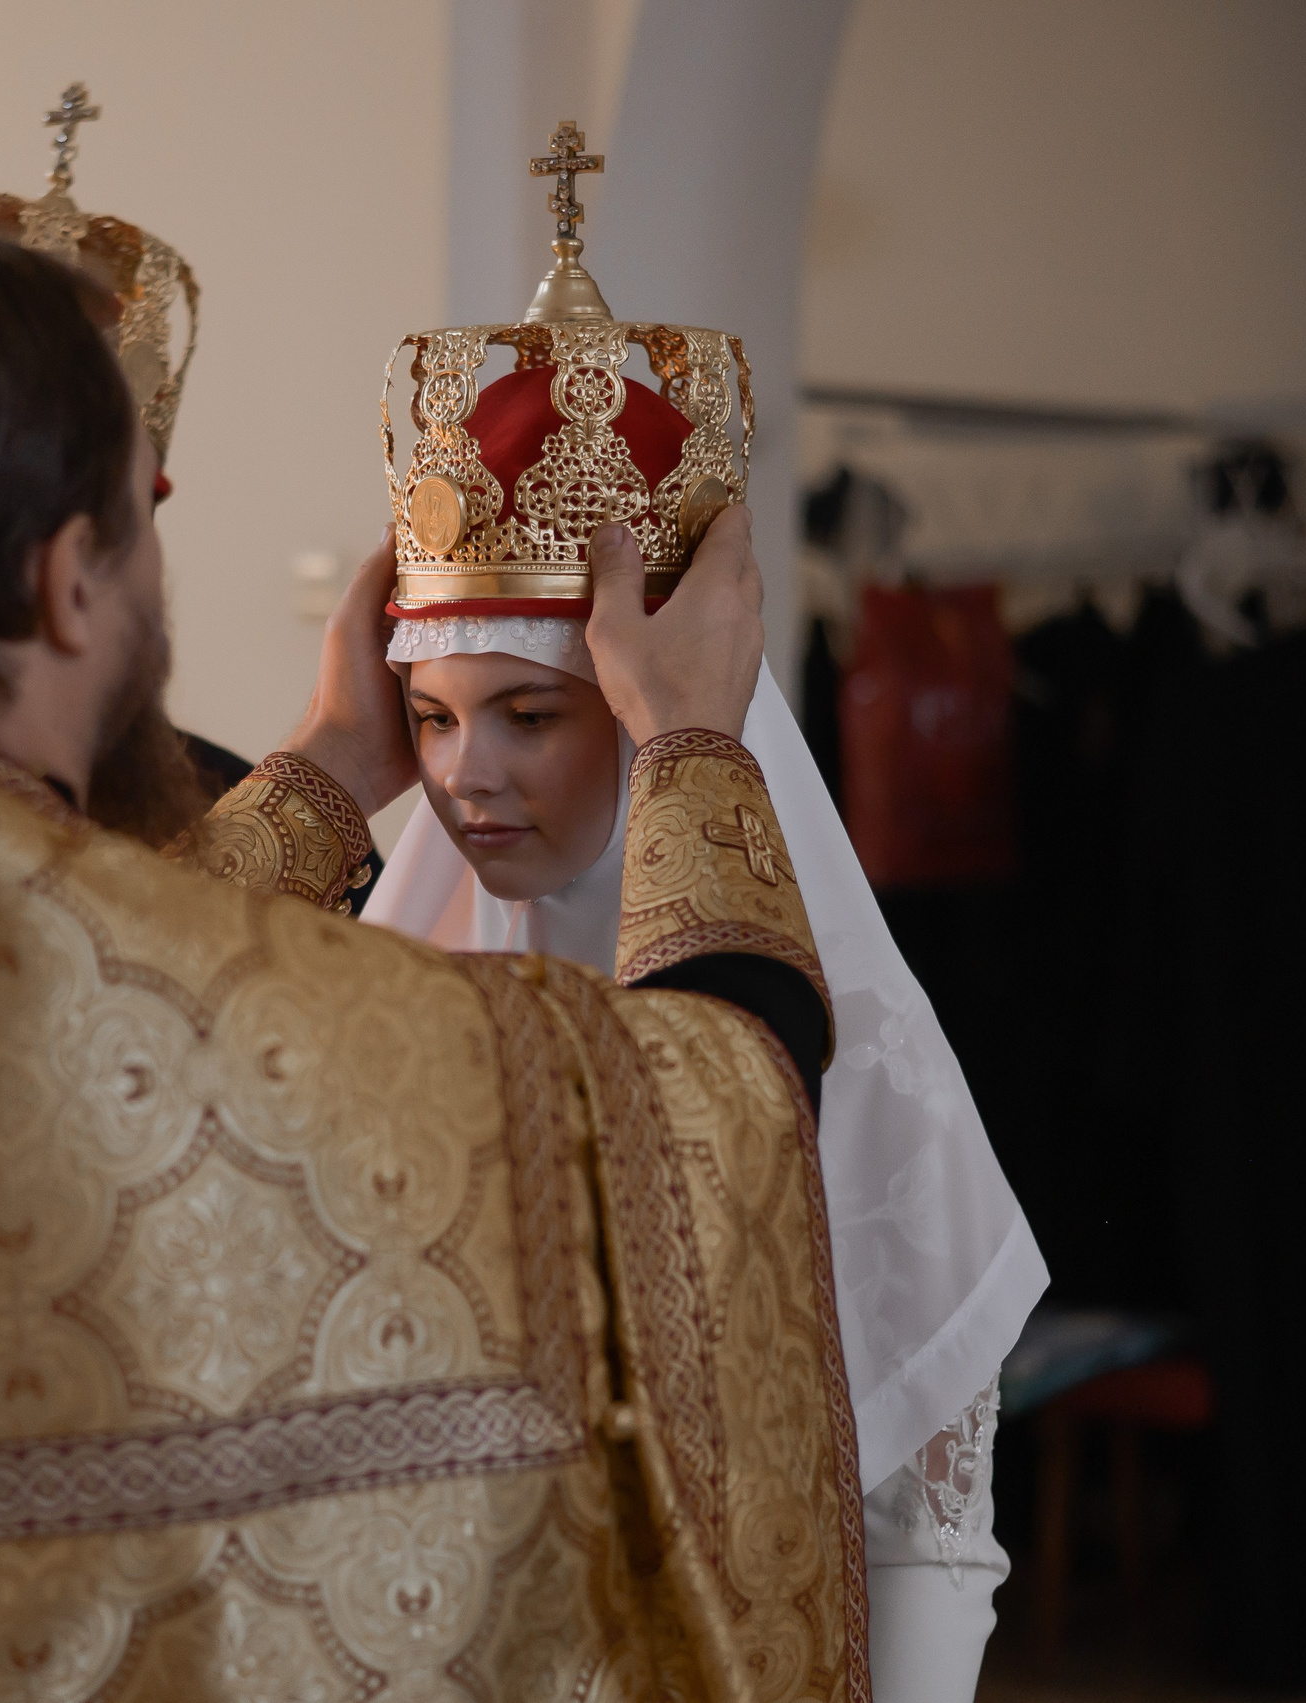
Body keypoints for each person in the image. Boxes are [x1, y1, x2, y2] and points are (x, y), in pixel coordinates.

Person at [0, 227, 870, 1700]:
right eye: (140, 523)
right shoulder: (226, 1043)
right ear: (67, 585)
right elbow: (712, 1124)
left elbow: (74, 934)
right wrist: (685, 740)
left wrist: (334, 769)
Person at [366, 571, 1048, 1703]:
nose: (462, 775)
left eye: (529, 715)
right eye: (430, 717)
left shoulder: (852, 1048)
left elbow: (921, 1535)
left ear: (649, 723)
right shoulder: (389, 1014)